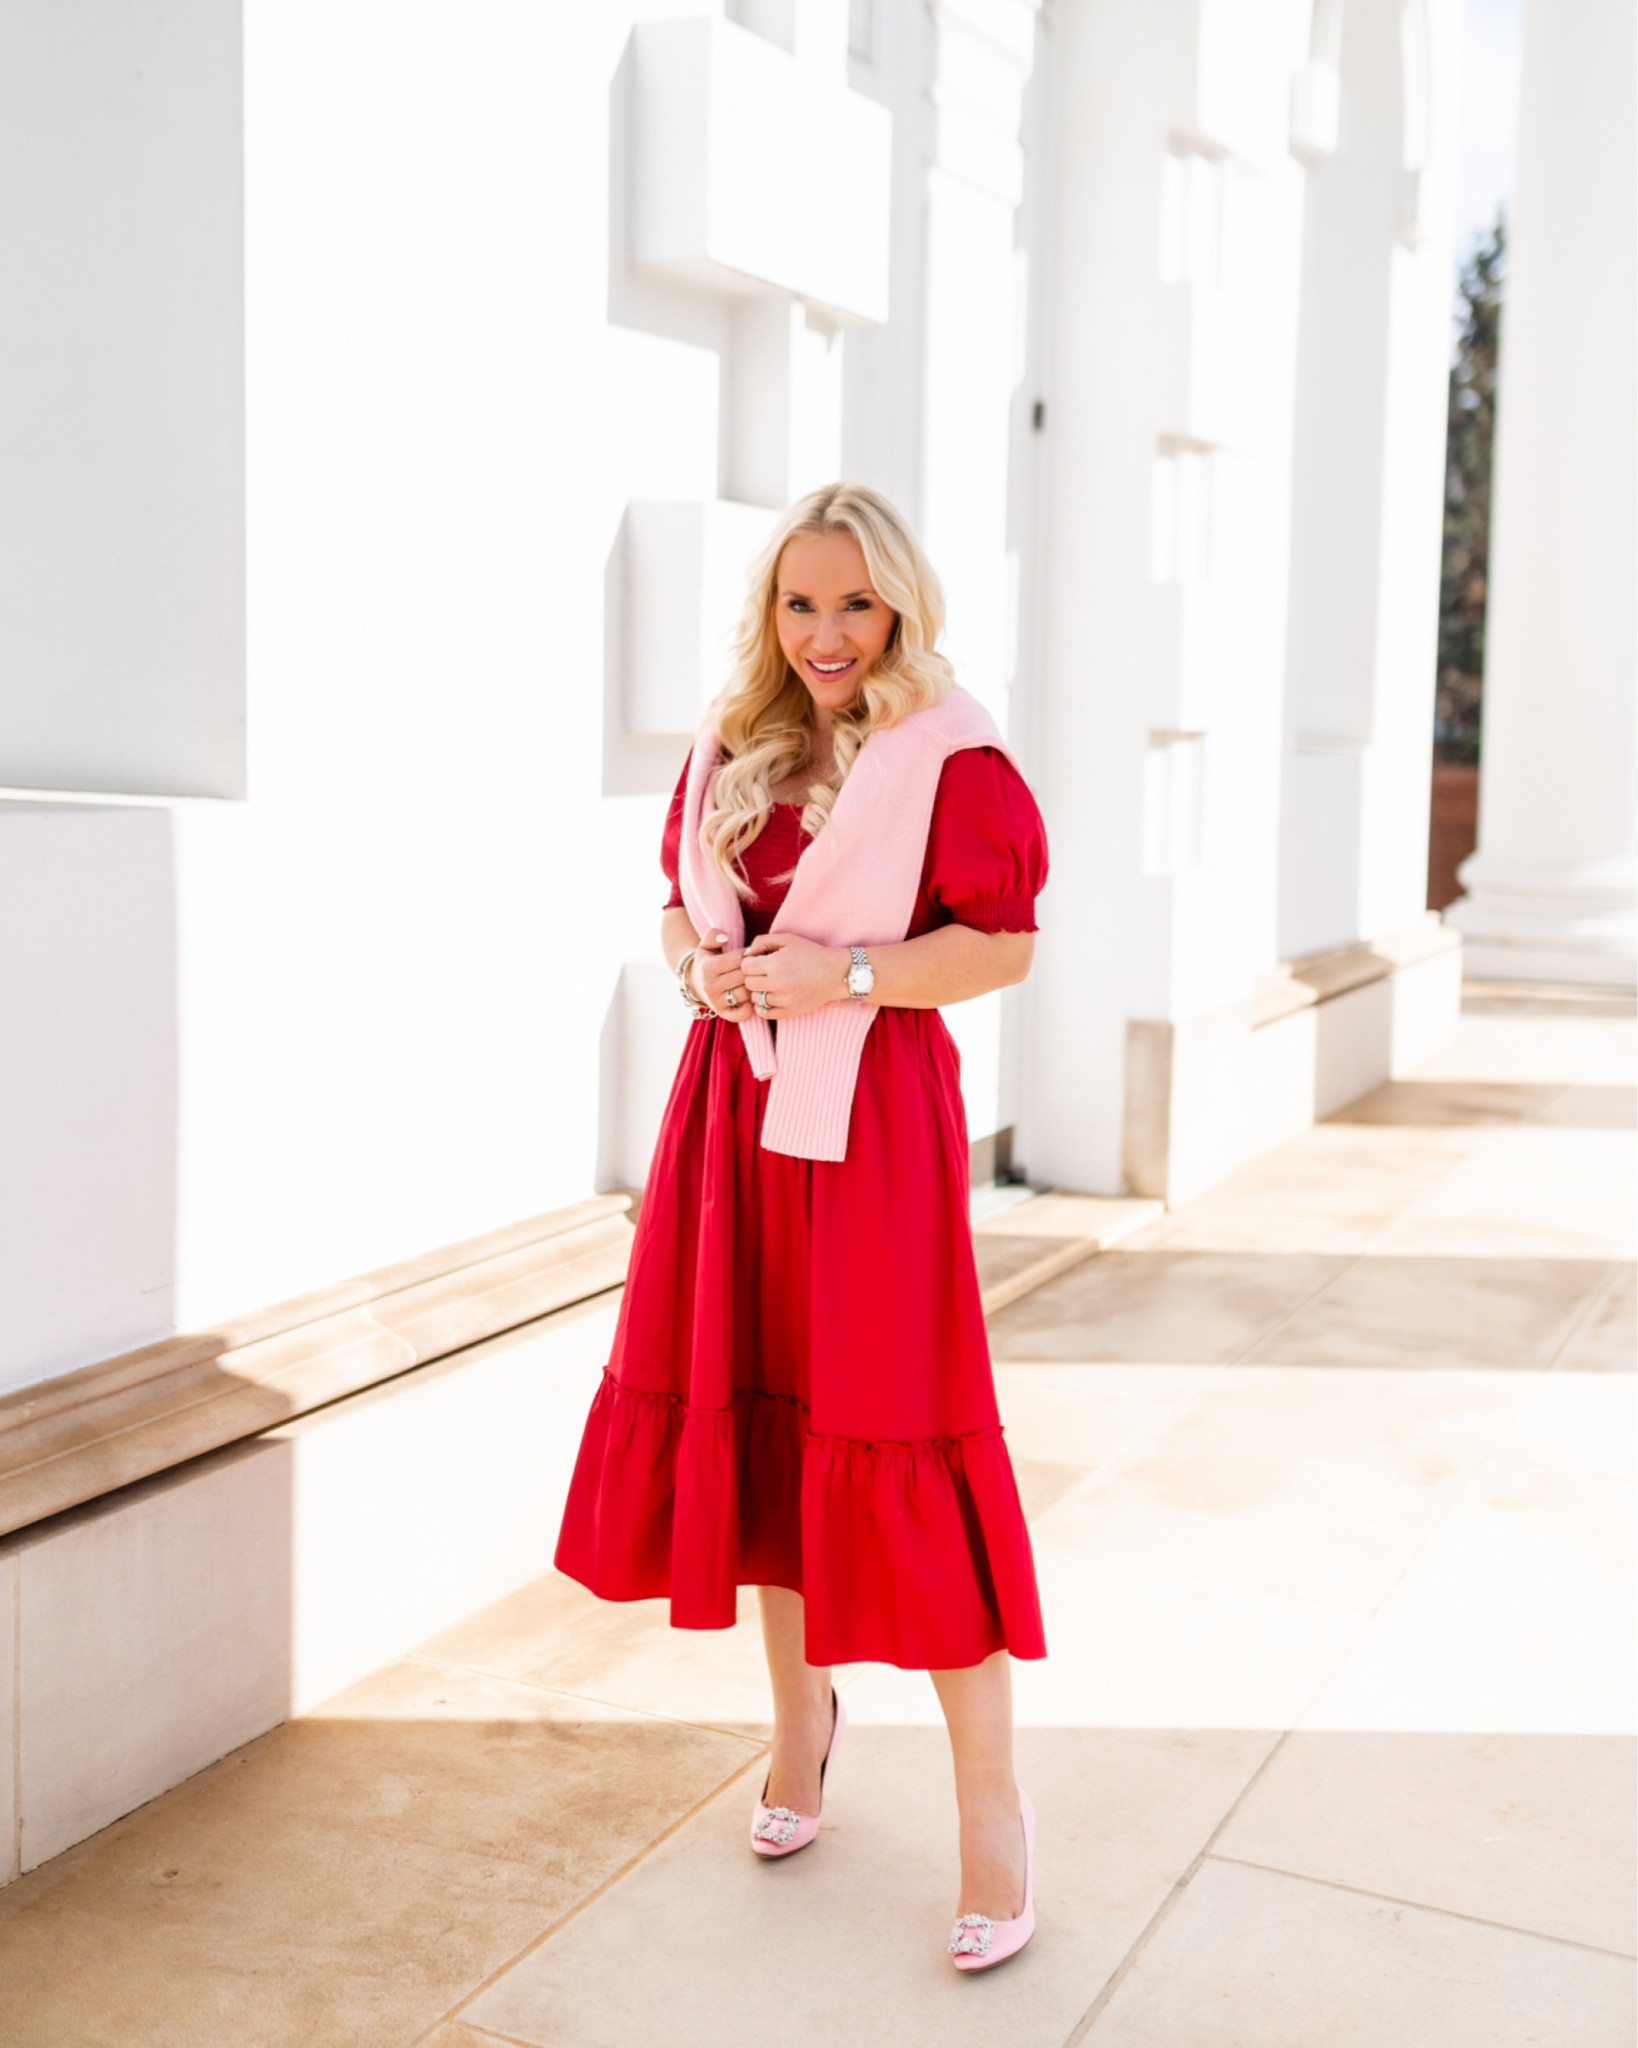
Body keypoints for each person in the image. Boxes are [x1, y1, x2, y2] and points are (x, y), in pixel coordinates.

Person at [556, 481, 1048, 1971]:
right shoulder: (732, 743)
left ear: (897, 604)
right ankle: (796, 1732)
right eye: (798, 602)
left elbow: (1003, 941)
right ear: (768, 612)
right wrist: (699, 970)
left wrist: (841, 980)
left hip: (870, 1131)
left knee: (900, 1423)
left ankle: (990, 1810)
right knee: (764, 1418)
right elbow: (671, 907)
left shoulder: (949, 754)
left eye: (852, 602)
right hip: (729, 1122)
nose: (825, 632)